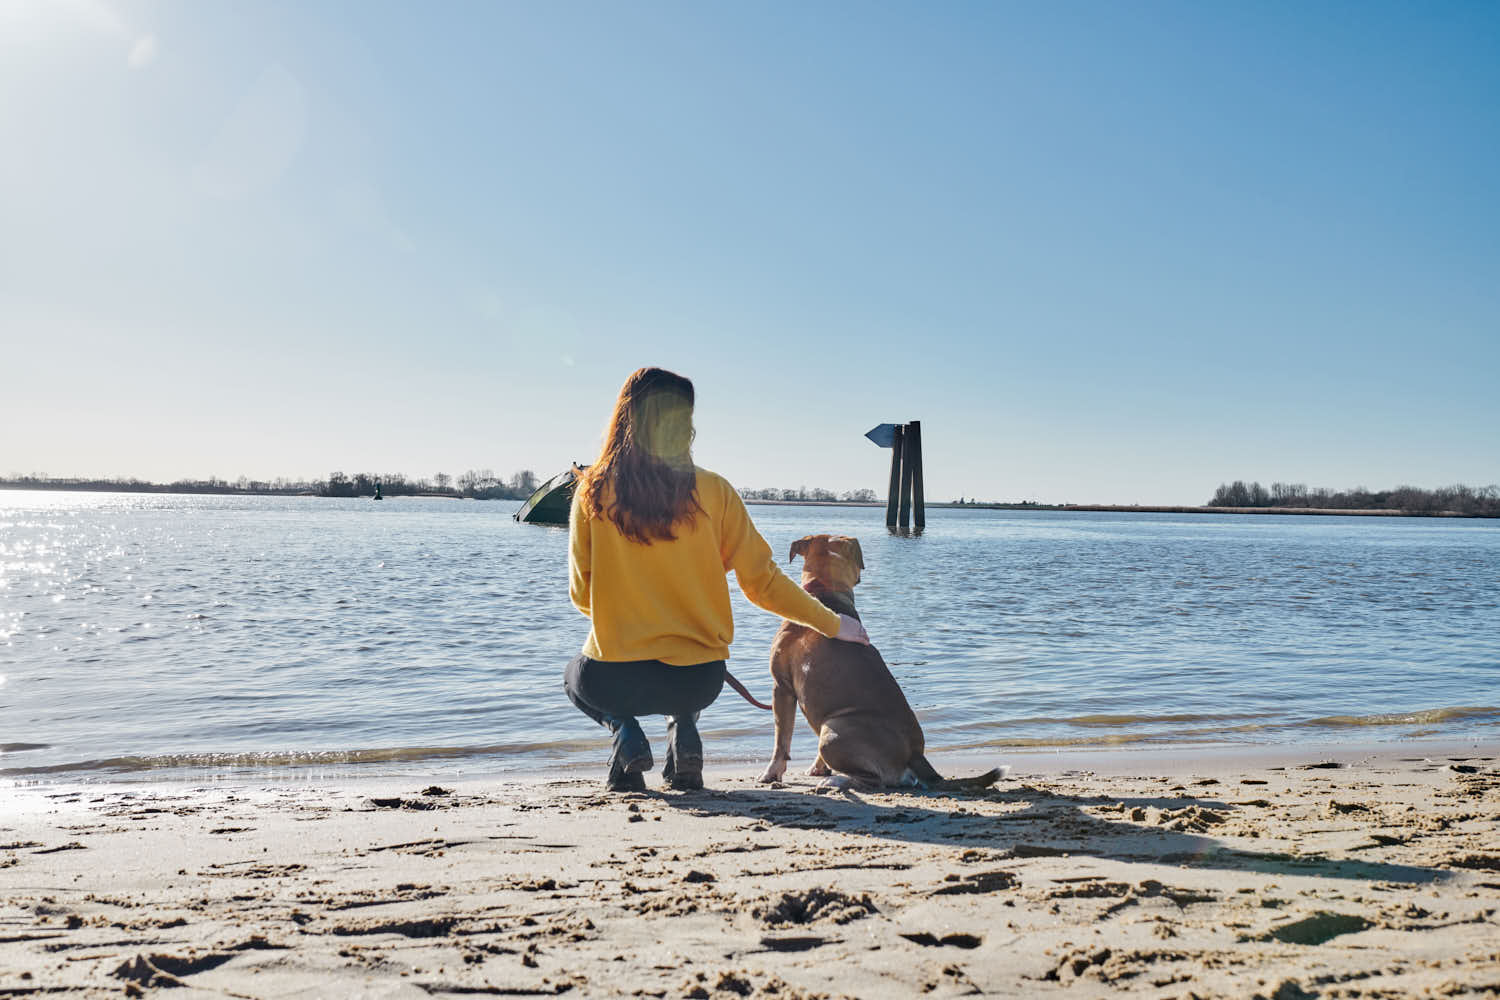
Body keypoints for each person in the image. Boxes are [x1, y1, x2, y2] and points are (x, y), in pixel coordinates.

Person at [566, 367, 871, 792]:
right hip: (697, 679)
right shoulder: (715, 491)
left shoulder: (592, 492)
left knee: (575, 678)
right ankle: (685, 735)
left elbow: (583, 595)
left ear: (626, 417)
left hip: (614, 677)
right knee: (685, 686)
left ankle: (625, 733)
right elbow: (763, 583)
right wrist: (836, 625)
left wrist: (629, 611)